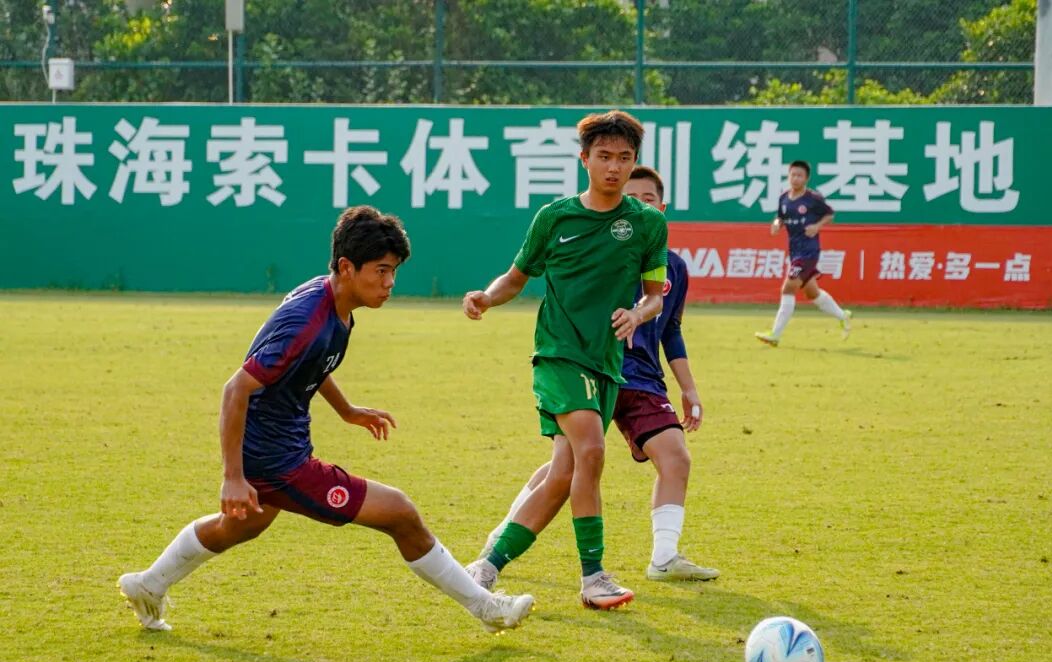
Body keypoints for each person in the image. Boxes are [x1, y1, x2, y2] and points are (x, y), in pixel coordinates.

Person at [118, 205, 534, 634]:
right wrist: (233, 477)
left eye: (394, 271)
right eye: (381, 271)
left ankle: (148, 584)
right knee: (400, 512)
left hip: (277, 448)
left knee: (238, 527)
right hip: (277, 461)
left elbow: (310, 363)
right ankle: (486, 607)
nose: (389, 283)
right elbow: (235, 389)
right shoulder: (306, 321)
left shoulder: (334, 301)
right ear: (347, 267)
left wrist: (346, 410)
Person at [461, 111, 668, 610]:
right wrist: (487, 297)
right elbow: (515, 277)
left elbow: (655, 296)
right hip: (557, 353)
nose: (614, 167)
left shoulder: (647, 224)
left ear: (634, 162)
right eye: (604, 156)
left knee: (564, 472)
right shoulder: (554, 217)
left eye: (624, 158)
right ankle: (593, 576)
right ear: (584, 160)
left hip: (606, 363)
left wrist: (637, 314)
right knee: (591, 451)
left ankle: (485, 566)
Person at [475, 166, 718, 584]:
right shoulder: (575, 228)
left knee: (662, 457)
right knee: (575, 459)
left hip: (636, 377)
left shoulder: (667, 262)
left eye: (647, 200)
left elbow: (668, 324)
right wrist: (488, 297)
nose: (636, 206)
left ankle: (663, 556)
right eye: (631, 197)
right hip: (576, 362)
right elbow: (520, 277)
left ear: (660, 210)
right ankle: (565, 566)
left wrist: (688, 387)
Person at [755, 160, 852, 346]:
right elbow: (780, 217)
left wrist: (817, 226)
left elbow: (830, 214)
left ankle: (775, 334)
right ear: (788, 176)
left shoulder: (813, 198)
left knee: (788, 288)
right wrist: (776, 224)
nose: (795, 178)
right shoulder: (784, 198)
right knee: (812, 293)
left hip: (809, 252)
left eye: (800, 175)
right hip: (795, 252)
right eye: (793, 175)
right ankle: (843, 316)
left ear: (806, 178)